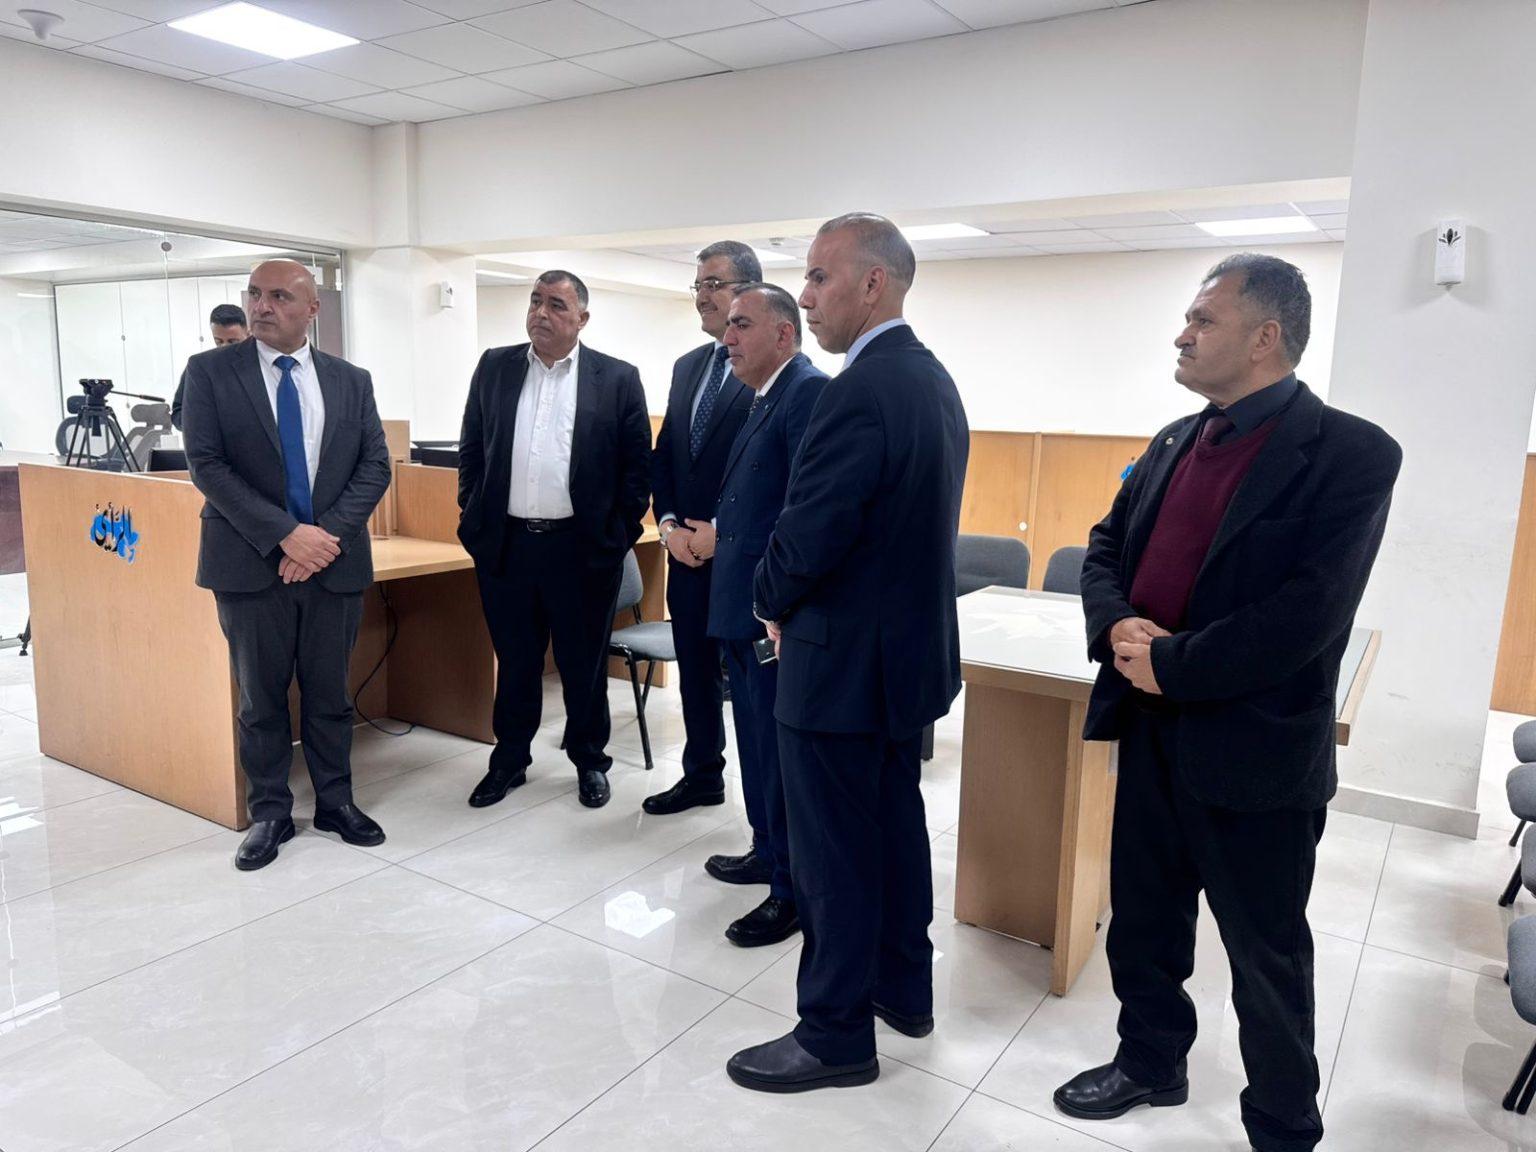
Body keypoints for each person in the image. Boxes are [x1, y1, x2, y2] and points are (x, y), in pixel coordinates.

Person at [1055, 254, 1401, 1152]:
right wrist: (1118, 625)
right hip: (1150, 728)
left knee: (1264, 953)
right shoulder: (1175, 439)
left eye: (1203, 319)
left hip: (1255, 749)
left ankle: (1282, 1124)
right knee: (1144, 922)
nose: (1182, 334)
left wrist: (1173, 664)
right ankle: (1150, 1061)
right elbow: (1104, 546)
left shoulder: (1353, 454)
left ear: (1264, 337)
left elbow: (1309, 612)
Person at [726, 213, 969, 1092]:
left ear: (874, 283)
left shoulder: (855, 390)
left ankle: (834, 1035)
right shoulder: (931, 380)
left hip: (837, 666)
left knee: (831, 856)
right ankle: (903, 990)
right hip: (901, 663)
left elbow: (808, 536)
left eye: (820, 277)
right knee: (893, 832)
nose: (807, 295)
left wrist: (766, 599)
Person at [183, 260, 391, 871]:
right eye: (254, 294)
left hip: (332, 563)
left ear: (312, 309)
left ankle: (336, 802)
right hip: (249, 564)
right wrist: (285, 537)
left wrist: (322, 538)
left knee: (330, 693)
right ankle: (270, 811)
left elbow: (374, 466)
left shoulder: (351, 380)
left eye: (278, 296)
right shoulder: (209, 372)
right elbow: (207, 464)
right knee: (261, 699)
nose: (261, 306)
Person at [457, 270, 651, 811]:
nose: (541, 313)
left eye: (557, 305)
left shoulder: (616, 378)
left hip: (581, 550)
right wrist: (472, 513)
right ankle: (509, 760)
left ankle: (589, 760)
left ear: (582, 318)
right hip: (507, 546)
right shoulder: (495, 366)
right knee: (516, 661)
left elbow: (637, 468)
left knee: (582, 664)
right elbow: (473, 448)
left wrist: (614, 537)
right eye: (536, 301)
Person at [705, 283, 828, 947]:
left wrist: (772, 603)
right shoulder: (763, 395)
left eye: (742, 325)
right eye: (728, 325)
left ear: (784, 334)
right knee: (754, 744)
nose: (728, 338)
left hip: (769, 614)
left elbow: (800, 512)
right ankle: (766, 850)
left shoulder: (805, 392)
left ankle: (790, 890)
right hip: (739, 605)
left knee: (779, 759)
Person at [641, 241, 761, 818]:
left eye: (714, 284)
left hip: (740, 556)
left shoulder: (766, 369)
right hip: (684, 553)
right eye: (699, 285)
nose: (702, 297)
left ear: (747, 291)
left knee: (751, 685)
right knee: (694, 671)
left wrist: (721, 530)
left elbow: (772, 475)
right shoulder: (688, 366)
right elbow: (667, 456)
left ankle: (765, 811)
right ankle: (701, 775)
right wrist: (667, 525)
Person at [172, 303, 248, 431]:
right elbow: (178, 413)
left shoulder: (259, 366)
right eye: (219, 341)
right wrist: (200, 424)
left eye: (232, 342)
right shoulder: (199, 368)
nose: (224, 347)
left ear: (248, 334)